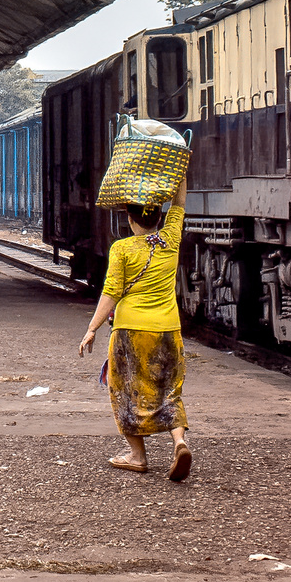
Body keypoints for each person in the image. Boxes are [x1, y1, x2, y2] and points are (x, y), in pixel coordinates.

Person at [77, 177, 191, 481]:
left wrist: (92, 328)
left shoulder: (122, 249)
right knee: (169, 390)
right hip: (169, 329)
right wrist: (179, 173)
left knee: (125, 391)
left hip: (131, 331)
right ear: (157, 217)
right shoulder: (171, 238)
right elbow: (178, 204)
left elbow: (111, 291)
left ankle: (137, 456)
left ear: (129, 219)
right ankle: (180, 443)